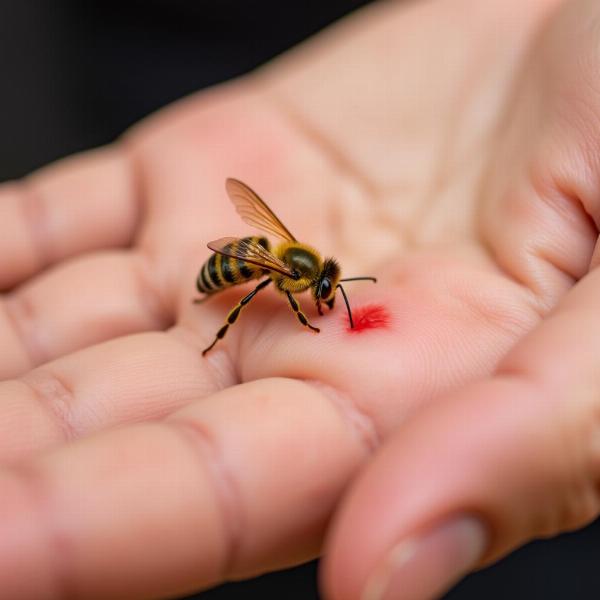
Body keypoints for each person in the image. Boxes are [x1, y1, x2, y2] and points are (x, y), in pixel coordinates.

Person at [0, 0, 598, 598]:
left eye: (323, 293)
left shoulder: (306, 263)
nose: (323, 299)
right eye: (319, 293)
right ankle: (216, 336)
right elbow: (271, 279)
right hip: (144, 53)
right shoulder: (281, 271)